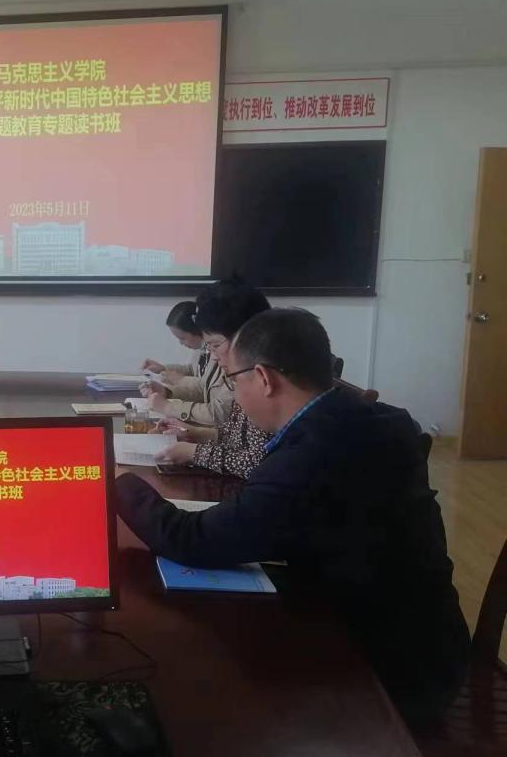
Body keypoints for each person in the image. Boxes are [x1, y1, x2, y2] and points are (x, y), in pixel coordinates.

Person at [115, 309, 469, 726]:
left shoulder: (314, 454)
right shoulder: (369, 419)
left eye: (234, 381)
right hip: (425, 640)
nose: (235, 397)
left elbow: (193, 540)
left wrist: (120, 482)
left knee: (194, 672)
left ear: (264, 378)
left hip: (389, 674)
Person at [141, 279, 270, 427]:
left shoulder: (251, 375)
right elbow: (230, 434)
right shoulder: (227, 358)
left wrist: (168, 406)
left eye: (215, 345)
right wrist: (168, 392)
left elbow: (221, 414)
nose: (212, 357)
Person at [140, 300, 208, 401]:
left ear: (197, 330)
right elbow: (192, 370)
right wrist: (163, 369)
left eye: (182, 338)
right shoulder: (200, 349)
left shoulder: (218, 354)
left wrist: (180, 380)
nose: (181, 343)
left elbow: (207, 388)